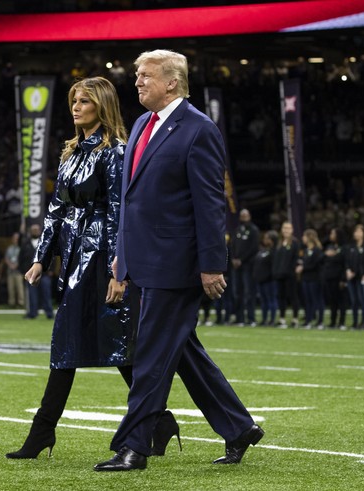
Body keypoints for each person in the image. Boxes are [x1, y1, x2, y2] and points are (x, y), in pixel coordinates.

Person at [95, 50, 262, 472]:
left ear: (172, 82)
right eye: (136, 75)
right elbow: (133, 201)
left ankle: (134, 446)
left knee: (149, 355)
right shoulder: (140, 124)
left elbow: (209, 203)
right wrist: (122, 257)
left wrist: (212, 263)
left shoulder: (199, 129)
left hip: (177, 264)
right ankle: (239, 427)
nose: (136, 82)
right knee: (182, 351)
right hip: (143, 259)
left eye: (145, 75)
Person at [9, 76, 179, 461]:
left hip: (101, 255)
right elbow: (56, 208)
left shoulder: (115, 152)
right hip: (74, 256)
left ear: (100, 106)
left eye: (83, 101)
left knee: (99, 343)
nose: (75, 107)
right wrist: (40, 257)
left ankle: (43, 432)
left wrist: (120, 269)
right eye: (73, 101)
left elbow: (122, 211)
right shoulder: (70, 153)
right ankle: (159, 420)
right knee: (98, 344)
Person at [231, 209, 259, 326]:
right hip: (236, 266)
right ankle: (239, 318)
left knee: (249, 292)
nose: (244, 217)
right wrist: (233, 258)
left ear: (249, 216)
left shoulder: (253, 230)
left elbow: (254, 248)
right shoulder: (237, 230)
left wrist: (241, 260)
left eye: (246, 215)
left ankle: (251, 318)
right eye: (242, 215)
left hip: (248, 265)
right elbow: (232, 245)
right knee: (237, 292)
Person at [21, 224, 54, 320]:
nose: (35, 231)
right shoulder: (25, 243)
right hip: (30, 274)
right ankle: (32, 313)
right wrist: (23, 271)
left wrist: (51, 270)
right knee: (32, 295)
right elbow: (21, 259)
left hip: (44, 273)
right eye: (33, 229)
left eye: (36, 229)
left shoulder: (45, 242)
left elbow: (52, 257)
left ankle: (49, 313)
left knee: (46, 294)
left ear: (40, 231)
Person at [273, 221, 300, 327]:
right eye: (284, 228)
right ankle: (282, 318)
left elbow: (295, 259)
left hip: (290, 275)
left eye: (288, 228)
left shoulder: (295, 243)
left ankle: (295, 319)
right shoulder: (278, 243)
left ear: (292, 230)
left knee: (293, 296)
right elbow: (276, 259)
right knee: (281, 297)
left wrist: (291, 271)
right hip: (279, 274)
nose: (286, 230)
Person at [298, 228, 324, 328]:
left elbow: (315, 264)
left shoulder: (317, 250)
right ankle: (308, 320)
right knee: (307, 300)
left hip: (315, 278)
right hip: (306, 278)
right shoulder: (305, 251)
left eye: (304, 236)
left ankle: (320, 321)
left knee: (317, 299)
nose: (302, 238)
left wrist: (303, 267)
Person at [321, 228, 347, 329]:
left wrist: (343, 279)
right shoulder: (330, 247)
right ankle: (333, 321)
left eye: (332, 233)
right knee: (332, 301)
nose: (330, 235)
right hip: (329, 277)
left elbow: (344, 263)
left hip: (339, 277)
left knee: (341, 301)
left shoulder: (344, 248)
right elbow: (323, 257)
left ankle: (342, 322)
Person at [254, 230, 278, 326]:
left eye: (267, 238)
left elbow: (274, 266)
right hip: (261, 279)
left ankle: (272, 319)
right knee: (263, 301)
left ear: (272, 240)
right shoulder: (263, 250)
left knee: (271, 299)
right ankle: (264, 319)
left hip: (270, 280)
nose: (264, 240)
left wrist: (270, 276)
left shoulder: (275, 251)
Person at [4, 232, 25, 308]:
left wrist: (16, 265)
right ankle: (11, 303)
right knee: (11, 288)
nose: (15, 240)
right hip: (10, 271)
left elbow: (22, 259)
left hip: (18, 271)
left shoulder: (21, 248)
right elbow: (6, 258)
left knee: (19, 288)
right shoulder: (9, 249)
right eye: (14, 239)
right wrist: (10, 265)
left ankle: (21, 303)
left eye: (17, 239)